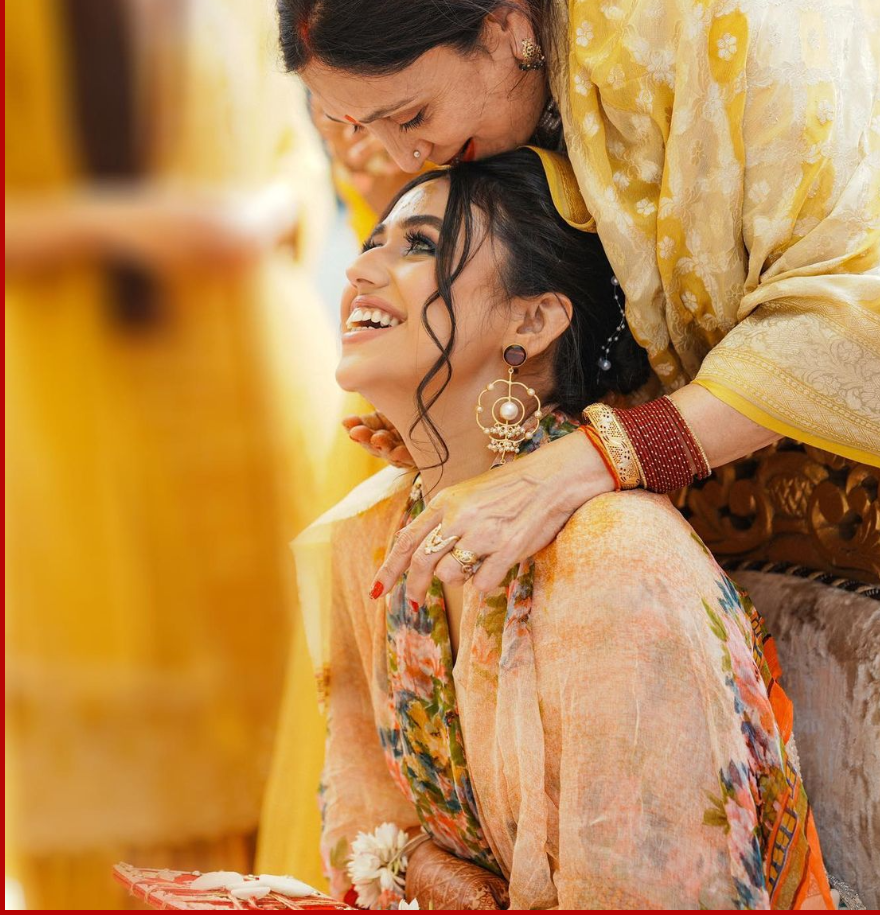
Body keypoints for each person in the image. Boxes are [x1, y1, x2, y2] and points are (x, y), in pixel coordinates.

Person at [278, 0, 880, 614]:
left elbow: (854, 306)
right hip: (710, 494)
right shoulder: (537, 16)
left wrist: (575, 465)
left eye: (412, 116)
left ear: (505, 29)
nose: (407, 157)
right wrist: (487, 413)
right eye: (363, 126)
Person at [316, 148, 833, 909]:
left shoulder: (615, 563)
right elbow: (364, 829)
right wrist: (421, 871)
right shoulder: (376, 533)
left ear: (533, 318)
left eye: (420, 245)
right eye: (371, 244)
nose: (362, 271)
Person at [3, 0, 338, 908]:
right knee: (114, 824)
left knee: (282, 779)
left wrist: (251, 217)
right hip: (93, 441)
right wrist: (142, 225)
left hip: (261, 407)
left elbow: (299, 158)